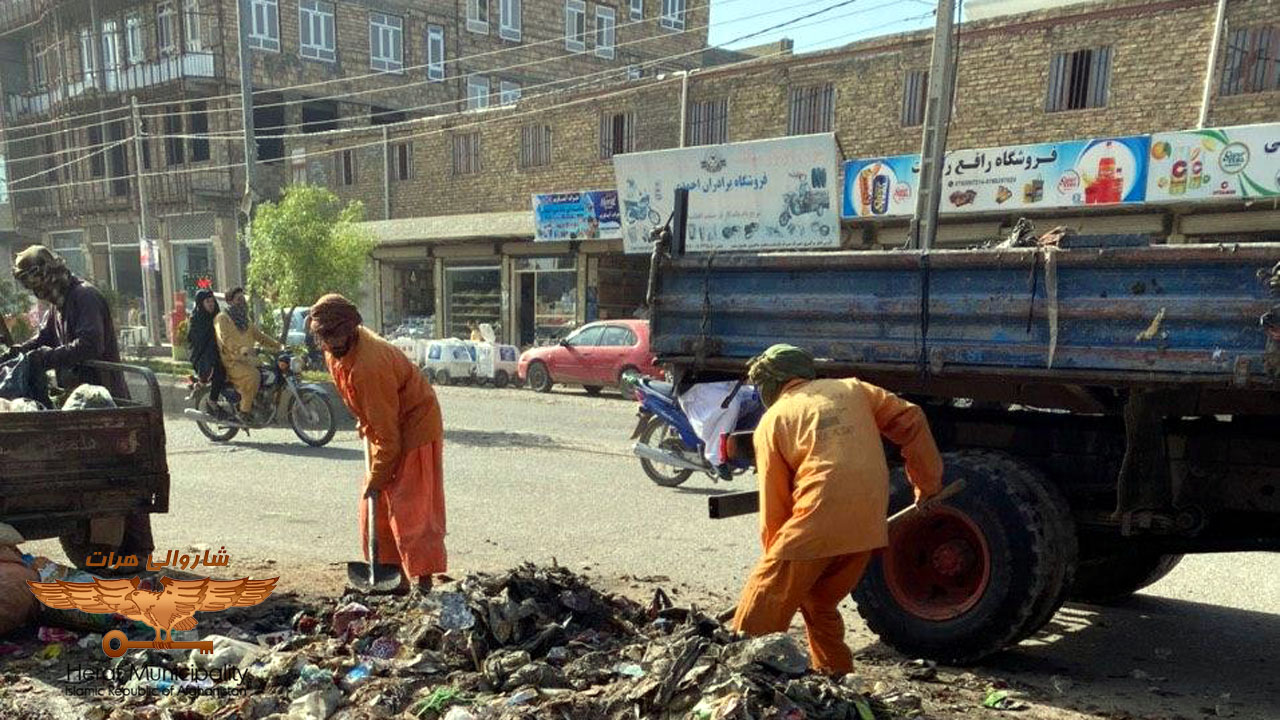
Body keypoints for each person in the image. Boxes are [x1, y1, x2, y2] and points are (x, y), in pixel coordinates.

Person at [731, 344, 943, 676]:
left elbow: (775, 504)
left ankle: (732, 678)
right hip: (867, 526)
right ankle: (837, 678)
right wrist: (928, 485)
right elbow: (911, 418)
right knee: (819, 603)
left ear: (772, 383)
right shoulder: (853, 388)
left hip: (817, 518)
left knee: (758, 613)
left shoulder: (773, 420)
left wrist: (775, 559)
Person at [7, 245, 153, 557]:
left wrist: (47, 358)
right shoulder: (58, 306)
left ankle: (140, 553)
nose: (36, 291)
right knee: (89, 480)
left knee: (121, 478)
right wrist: (19, 353)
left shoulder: (83, 297)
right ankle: (96, 547)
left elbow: (90, 343)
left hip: (106, 401)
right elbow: (42, 339)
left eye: (36, 283)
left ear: (48, 274)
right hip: (80, 402)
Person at [309, 293, 447, 594]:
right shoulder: (334, 353)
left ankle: (423, 583)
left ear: (351, 328)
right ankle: (392, 578)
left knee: (411, 509)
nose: (329, 343)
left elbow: (391, 438)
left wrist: (378, 477)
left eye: (334, 335)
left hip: (415, 426)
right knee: (376, 508)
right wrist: (366, 423)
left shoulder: (370, 365)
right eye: (324, 337)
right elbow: (366, 407)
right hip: (384, 427)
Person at [214, 287, 281, 421]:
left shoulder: (245, 320)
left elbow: (260, 336)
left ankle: (262, 406)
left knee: (269, 373)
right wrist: (240, 349)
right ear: (230, 301)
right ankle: (244, 412)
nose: (242, 301)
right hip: (232, 361)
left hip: (248, 359)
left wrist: (279, 346)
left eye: (243, 299)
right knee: (253, 376)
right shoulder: (222, 318)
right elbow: (225, 338)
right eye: (239, 299)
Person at [187, 289, 227, 414]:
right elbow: (197, 342)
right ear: (201, 304)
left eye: (212, 301)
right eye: (207, 301)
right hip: (203, 357)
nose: (211, 304)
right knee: (221, 370)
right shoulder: (197, 320)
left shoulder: (218, 317)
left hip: (221, 353)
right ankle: (212, 400)